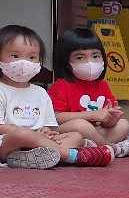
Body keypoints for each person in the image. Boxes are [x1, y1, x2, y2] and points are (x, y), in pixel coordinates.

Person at [0, 25, 113, 169]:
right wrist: (33, 136)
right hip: (8, 143)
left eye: (32, 57)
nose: (24, 63)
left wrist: (46, 132)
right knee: (22, 134)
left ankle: (29, 157)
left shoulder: (40, 92)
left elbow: (49, 124)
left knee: (76, 136)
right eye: (15, 56)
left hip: (40, 140)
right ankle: (72, 156)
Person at [47, 27, 129, 157]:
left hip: (94, 132)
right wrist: (92, 115)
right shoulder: (61, 86)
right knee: (81, 125)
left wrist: (111, 119)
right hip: (68, 132)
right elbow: (55, 118)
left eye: (95, 56)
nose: (90, 62)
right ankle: (112, 148)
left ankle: (90, 146)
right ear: (66, 62)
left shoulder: (102, 85)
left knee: (124, 125)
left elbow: (106, 120)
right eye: (80, 58)